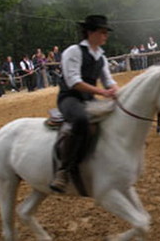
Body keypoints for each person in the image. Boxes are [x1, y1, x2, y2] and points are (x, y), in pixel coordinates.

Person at [49, 14, 118, 193]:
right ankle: (63, 170)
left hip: (89, 99)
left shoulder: (101, 56)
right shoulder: (73, 52)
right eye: (102, 32)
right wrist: (102, 92)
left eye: (106, 32)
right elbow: (74, 82)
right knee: (81, 119)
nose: (105, 35)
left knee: (113, 115)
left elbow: (108, 80)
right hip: (70, 98)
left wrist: (117, 92)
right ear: (90, 32)